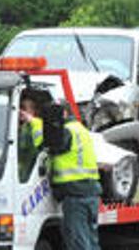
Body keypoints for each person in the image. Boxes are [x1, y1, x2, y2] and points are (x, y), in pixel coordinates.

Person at [42, 103, 101, 250]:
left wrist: (35, 124)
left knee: (78, 243)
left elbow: (48, 147)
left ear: (64, 114)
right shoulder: (82, 130)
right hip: (91, 192)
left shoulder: (66, 131)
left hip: (75, 194)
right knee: (91, 241)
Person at [18, 96, 44, 180]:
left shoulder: (37, 124)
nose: (20, 111)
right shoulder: (20, 126)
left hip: (31, 170)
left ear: (33, 111)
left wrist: (31, 119)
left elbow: (39, 145)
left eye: (24, 108)